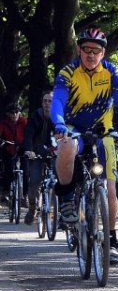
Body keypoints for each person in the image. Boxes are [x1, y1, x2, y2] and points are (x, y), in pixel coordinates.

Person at [50, 28, 118, 265]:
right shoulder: (68, 72)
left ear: (102, 53)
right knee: (66, 147)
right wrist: (58, 123)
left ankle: (111, 239)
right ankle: (67, 197)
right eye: (86, 50)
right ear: (79, 49)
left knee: (109, 189)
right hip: (72, 128)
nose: (90, 55)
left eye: (96, 51)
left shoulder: (111, 71)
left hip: (103, 132)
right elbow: (57, 100)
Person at [22, 91, 55, 225]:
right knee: (34, 180)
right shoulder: (36, 116)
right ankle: (32, 207)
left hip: (54, 153)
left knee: (63, 178)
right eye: (45, 101)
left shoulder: (59, 117)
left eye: (50, 101)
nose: (47, 103)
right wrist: (29, 150)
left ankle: (61, 209)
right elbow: (29, 134)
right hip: (38, 153)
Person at [0, 102, 27, 211]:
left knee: (26, 171)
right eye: (12, 112)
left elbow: (29, 134)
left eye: (17, 112)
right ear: (8, 114)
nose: (15, 114)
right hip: (8, 148)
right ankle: (6, 192)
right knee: (8, 170)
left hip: (23, 149)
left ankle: (25, 196)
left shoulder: (24, 122)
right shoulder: (3, 124)